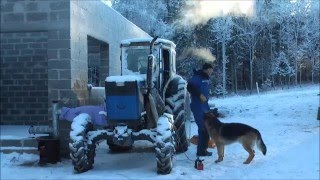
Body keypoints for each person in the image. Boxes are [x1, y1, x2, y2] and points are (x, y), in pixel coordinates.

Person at [187, 62, 214, 156]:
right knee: (203, 128)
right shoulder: (197, 77)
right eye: (210, 70)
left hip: (205, 107)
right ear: (206, 69)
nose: (211, 72)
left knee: (207, 128)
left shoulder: (205, 78)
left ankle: (203, 150)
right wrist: (199, 95)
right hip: (197, 107)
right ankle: (201, 151)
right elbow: (189, 86)